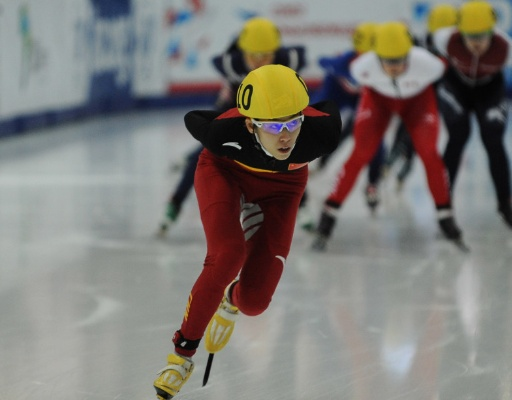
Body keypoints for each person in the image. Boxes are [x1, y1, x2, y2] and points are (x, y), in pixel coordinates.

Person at [152, 65, 341, 400]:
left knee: (254, 303)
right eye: (272, 125)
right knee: (227, 254)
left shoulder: (320, 133)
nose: (285, 135)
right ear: (250, 123)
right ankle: (181, 356)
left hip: (283, 190)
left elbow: (329, 108)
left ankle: (231, 300)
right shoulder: (224, 133)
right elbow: (194, 117)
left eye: (292, 123)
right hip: (225, 174)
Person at [312, 21, 464, 251]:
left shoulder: (429, 64)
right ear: (376, 56)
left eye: (399, 61)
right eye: (388, 62)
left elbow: (451, 68)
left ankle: (445, 214)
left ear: (409, 54)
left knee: (429, 154)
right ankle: (329, 213)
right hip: (379, 102)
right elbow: (333, 66)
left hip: (418, 104)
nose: (394, 67)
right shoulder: (362, 66)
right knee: (360, 155)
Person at [157, 16, 306, 237]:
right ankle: (176, 202)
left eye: (266, 55)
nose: (260, 61)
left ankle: (302, 207)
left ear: (276, 52)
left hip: (269, 110)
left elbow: (300, 55)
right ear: (242, 52)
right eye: (253, 56)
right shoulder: (230, 62)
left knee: (289, 152)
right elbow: (220, 61)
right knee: (207, 151)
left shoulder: (288, 59)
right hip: (234, 106)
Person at [433, 1, 512, 229]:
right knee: (458, 136)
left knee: (493, 140)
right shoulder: (444, 38)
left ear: (492, 33)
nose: (476, 43)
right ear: (460, 32)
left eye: (482, 36)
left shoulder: (509, 49)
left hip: (490, 91)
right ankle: (443, 204)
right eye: (470, 36)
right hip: (456, 87)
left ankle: (506, 204)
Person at [311, 22, 385, 212]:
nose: (367, 60)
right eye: (364, 54)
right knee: (322, 124)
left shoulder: (384, 65)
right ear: (356, 50)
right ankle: (321, 161)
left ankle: (372, 184)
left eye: (373, 55)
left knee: (375, 139)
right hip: (338, 93)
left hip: (363, 99)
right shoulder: (343, 62)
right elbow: (322, 61)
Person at [384, 4, 458, 191]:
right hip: (418, 96)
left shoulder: (444, 46)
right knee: (408, 130)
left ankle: (401, 164)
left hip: (429, 99)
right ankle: (395, 161)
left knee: (415, 135)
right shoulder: (431, 44)